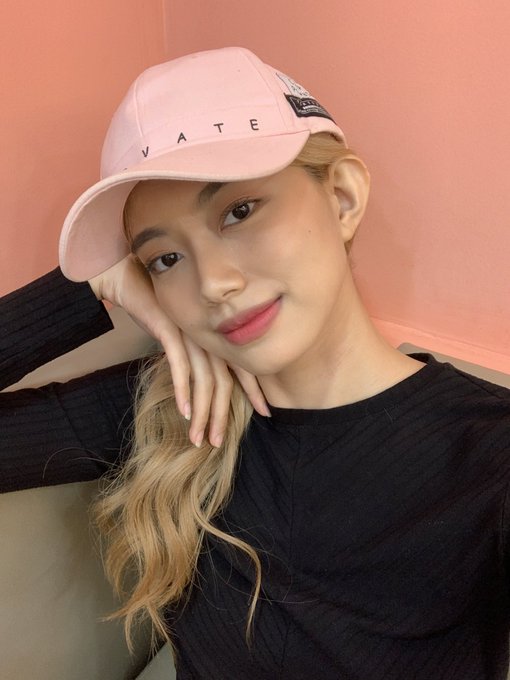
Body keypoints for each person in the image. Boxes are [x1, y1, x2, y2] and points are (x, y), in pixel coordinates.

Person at [1, 46, 510, 680]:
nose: (213, 283)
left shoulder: (488, 451)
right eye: (165, 259)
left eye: (239, 212)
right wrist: (89, 289)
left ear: (342, 197)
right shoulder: (170, 407)